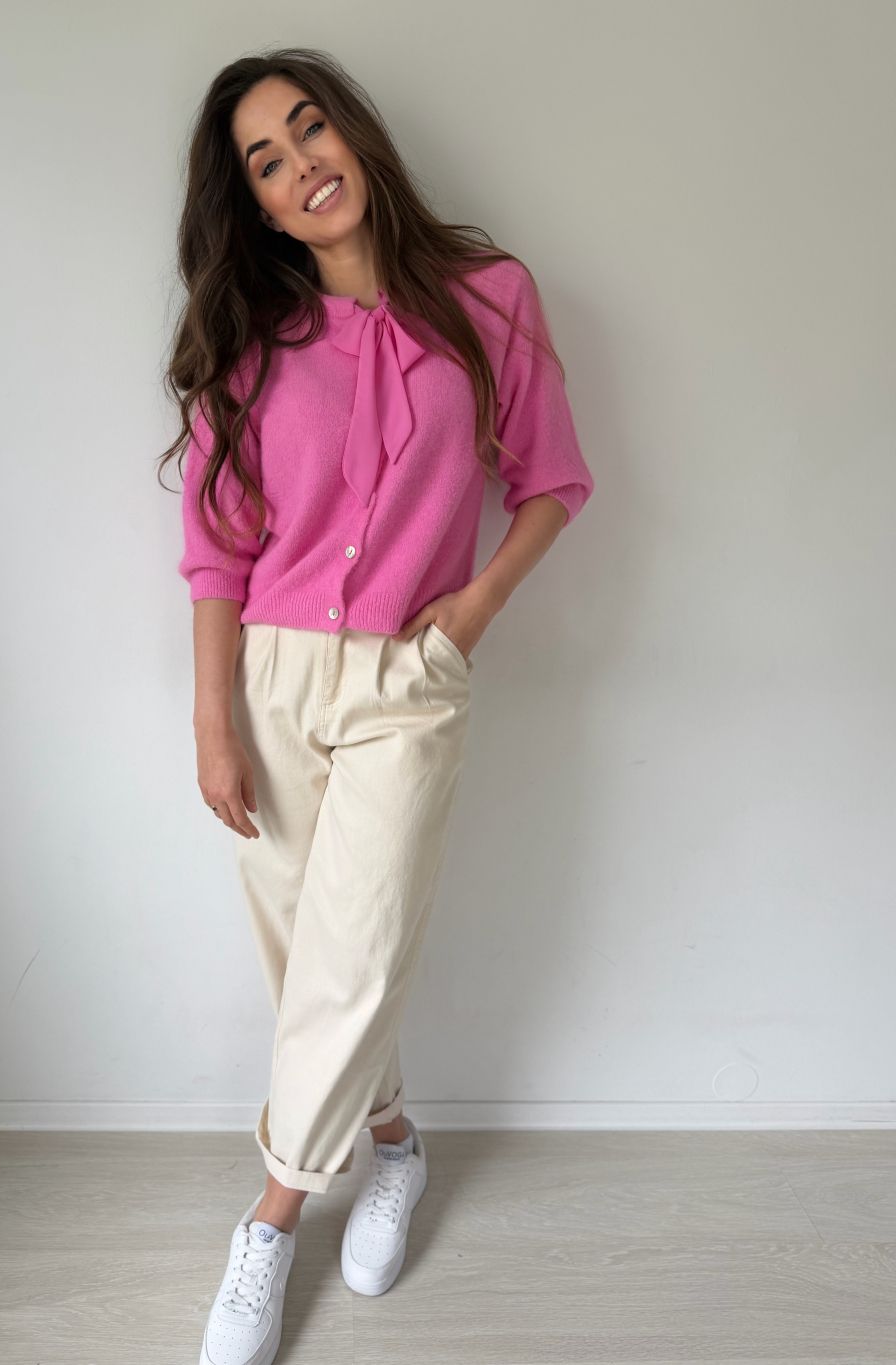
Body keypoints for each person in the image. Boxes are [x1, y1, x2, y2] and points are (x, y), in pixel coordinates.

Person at [158, 45, 595, 1365]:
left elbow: (553, 480)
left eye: (310, 128)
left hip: (411, 675)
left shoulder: (490, 295)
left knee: (353, 954)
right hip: (275, 674)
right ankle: (393, 1145)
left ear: (354, 131)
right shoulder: (256, 342)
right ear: (255, 204)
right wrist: (215, 721)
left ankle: (270, 1221)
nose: (302, 165)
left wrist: (470, 614)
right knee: (312, 960)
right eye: (266, 161)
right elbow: (218, 548)